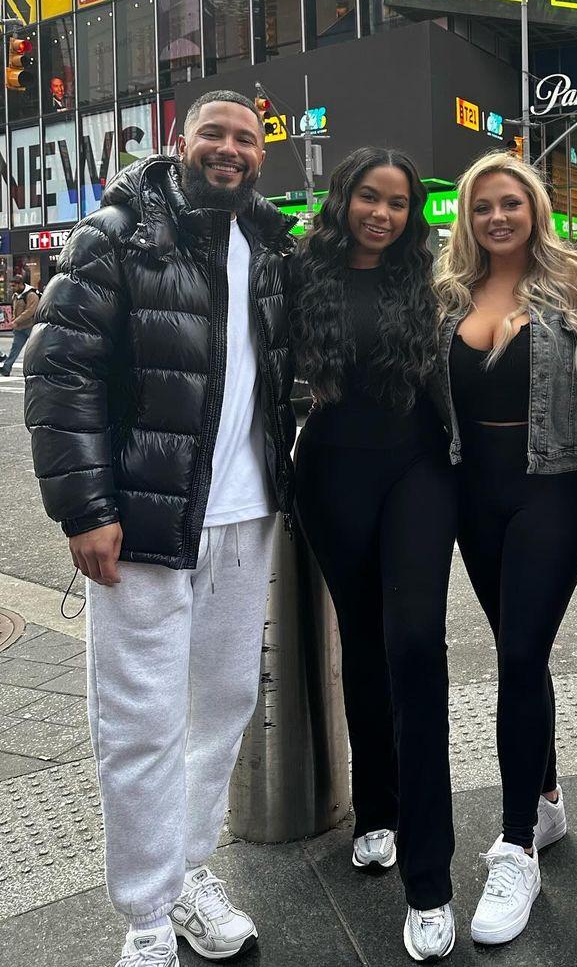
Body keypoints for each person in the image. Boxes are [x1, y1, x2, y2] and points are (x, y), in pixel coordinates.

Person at [23, 91, 295, 967]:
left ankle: (187, 876)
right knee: (140, 720)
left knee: (222, 710)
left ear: (262, 154)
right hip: (141, 522)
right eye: (212, 133)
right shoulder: (117, 233)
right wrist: (86, 509)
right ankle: (145, 916)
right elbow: (59, 372)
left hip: (246, 516)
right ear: (180, 142)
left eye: (244, 138)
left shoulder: (275, 243)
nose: (228, 149)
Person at [292, 147, 458, 963]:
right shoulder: (299, 272)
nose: (384, 215)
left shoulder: (426, 281)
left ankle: (431, 880)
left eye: (399, 203)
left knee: (415, 643)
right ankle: (379, 812)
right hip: (329, 475)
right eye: (370, 198)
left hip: (417, 471)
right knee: (361, 644)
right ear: (344, 198)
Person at [434, 152, 577, 947]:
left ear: (533, 208)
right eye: (483, 208)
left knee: (518, 653)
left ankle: (515, 844)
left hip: (556, 486)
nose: (497, 217)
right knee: (517, 652)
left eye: (511, 204)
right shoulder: (447, 295)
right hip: (475, 491)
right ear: (468, 219)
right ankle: (548, 800)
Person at [1, 271, 39, 375]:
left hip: (31, 326)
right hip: (19, 328)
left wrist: (16, 321)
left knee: (35, 350)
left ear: (20, 284)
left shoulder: (31, 294)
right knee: (15, 349)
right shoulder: (16, 295)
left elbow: (30, 311)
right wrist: (14, 321)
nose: (12, 288)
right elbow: (15, 310)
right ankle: (6, 368)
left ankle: (37, 369)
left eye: (14, 285)